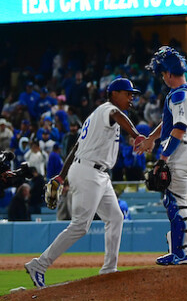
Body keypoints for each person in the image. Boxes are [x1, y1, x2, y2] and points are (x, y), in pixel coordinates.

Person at [24, 78, 145, 288]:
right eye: (128, 93)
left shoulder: (95, 117)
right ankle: (39, 264)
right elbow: (116, 115)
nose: (131, 98)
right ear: (114, 93)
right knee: (80, 226)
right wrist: (136, 135)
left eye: (132, 94)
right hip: (89, 172)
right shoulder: (109, 110)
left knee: (116, 217)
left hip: (96, 172)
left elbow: (76, 147)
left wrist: (61, 176)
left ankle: (109, 269)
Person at [137, 46, 187, 265]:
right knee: (186, 205)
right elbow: (170, 123)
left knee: (174, 204)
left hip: (181, 152)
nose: (162, 77)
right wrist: (152, 138)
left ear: (169, 73)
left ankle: (180, 254)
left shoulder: (179, 95)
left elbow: (179, 127)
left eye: (162, 73)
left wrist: (163, 158)